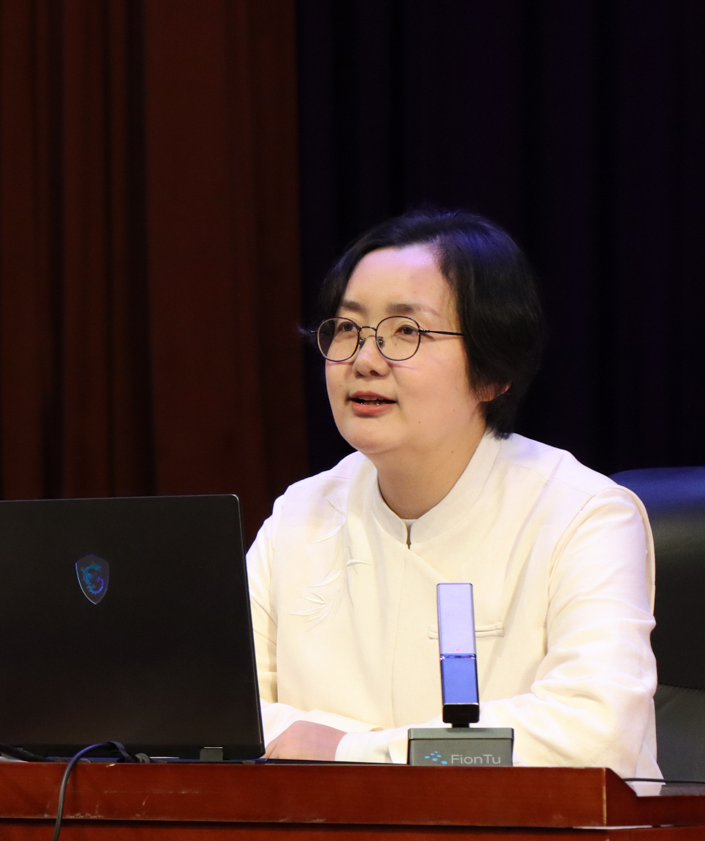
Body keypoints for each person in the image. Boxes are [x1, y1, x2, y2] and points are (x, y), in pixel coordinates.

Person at [253, 209, 660, 777]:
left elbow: (593, 738)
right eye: (348, 328)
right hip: (331, 835)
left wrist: (350, 752)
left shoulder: (583, 515)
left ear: (492, 372)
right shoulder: (299, 515)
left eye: (406, 331)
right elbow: (217, 717)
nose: (364, 360)